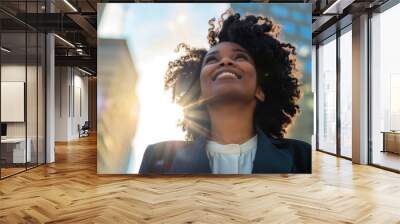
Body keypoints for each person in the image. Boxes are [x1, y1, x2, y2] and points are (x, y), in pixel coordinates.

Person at [139, 10, 311, 174]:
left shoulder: (302, 156)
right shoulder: (158, 157)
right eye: (212, 59)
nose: (226, 61)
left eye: (240, 57)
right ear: (199, 93)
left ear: (260, 90)